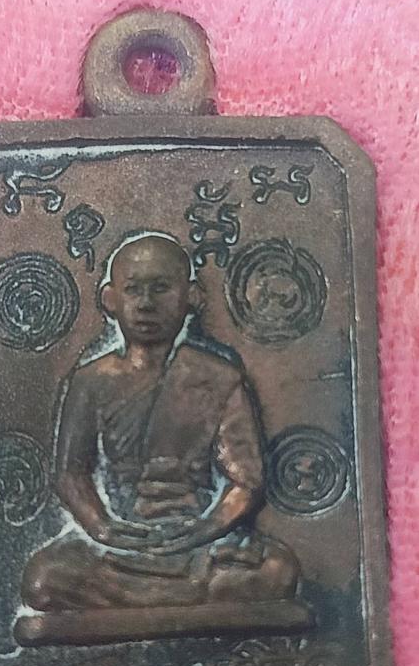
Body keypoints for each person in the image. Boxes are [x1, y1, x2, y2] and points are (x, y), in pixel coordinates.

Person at [21, 233, 300, 613]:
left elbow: (246, 482)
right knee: (43, 580)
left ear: (191, 297)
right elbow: (71, 474)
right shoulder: (91, 381)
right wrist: (103, 527)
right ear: (110, 299)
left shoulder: (217, 377)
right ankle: (180, 603)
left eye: (161, 288)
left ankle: (146, 603)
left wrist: (205, 527)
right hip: (120, 543)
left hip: (197, 538)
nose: (146, 304)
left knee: (278, 571)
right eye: (133, 290)